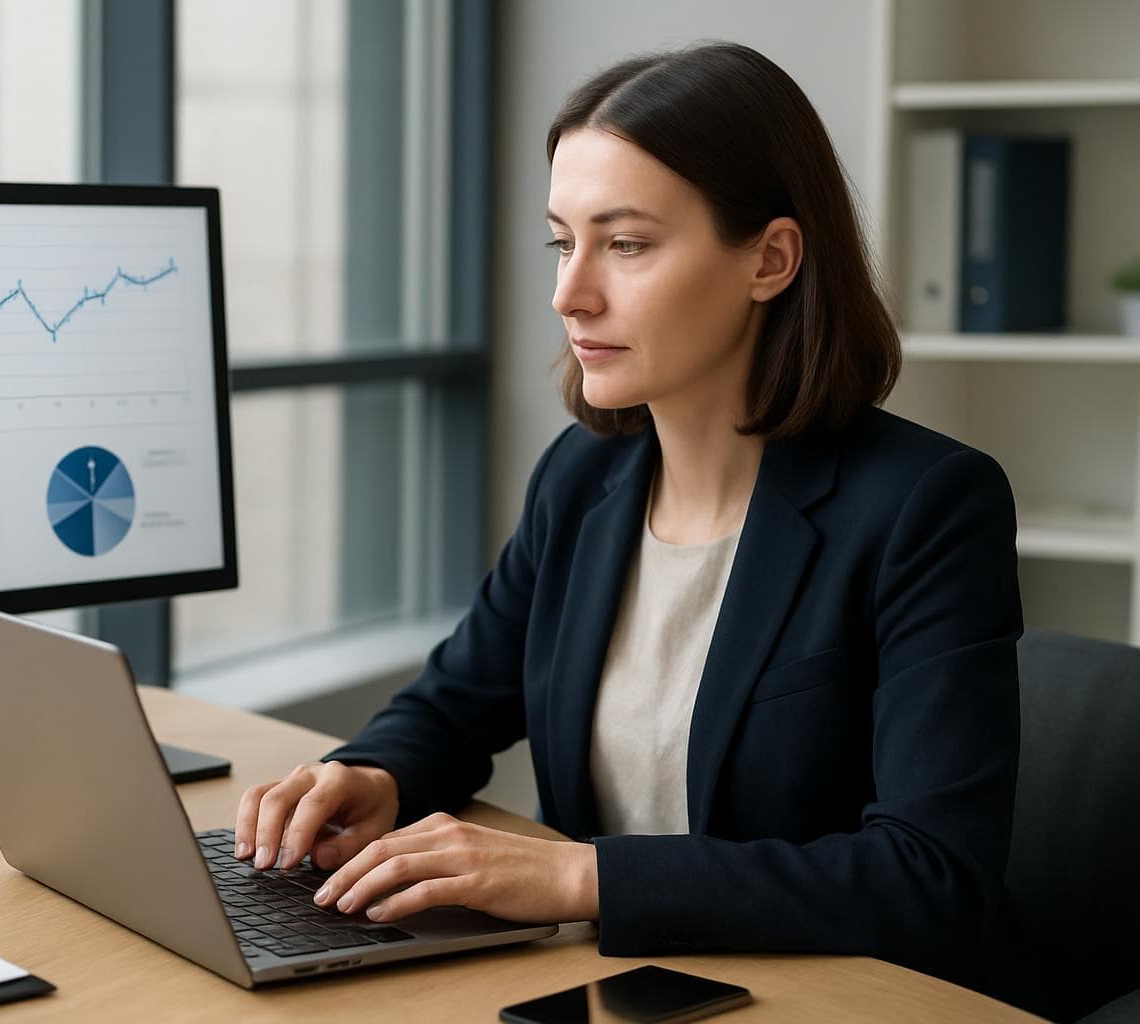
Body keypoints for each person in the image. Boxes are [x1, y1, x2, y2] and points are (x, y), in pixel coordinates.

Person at [233, 40, 1022, 986]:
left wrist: (583, 876)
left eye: (627, 244)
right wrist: (374, 774)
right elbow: (456, 700)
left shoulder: (925, 507)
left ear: (771, 259)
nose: (569, 294)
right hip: (604, 986)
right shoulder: (584, 476)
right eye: (563, 242)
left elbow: (932, 878)